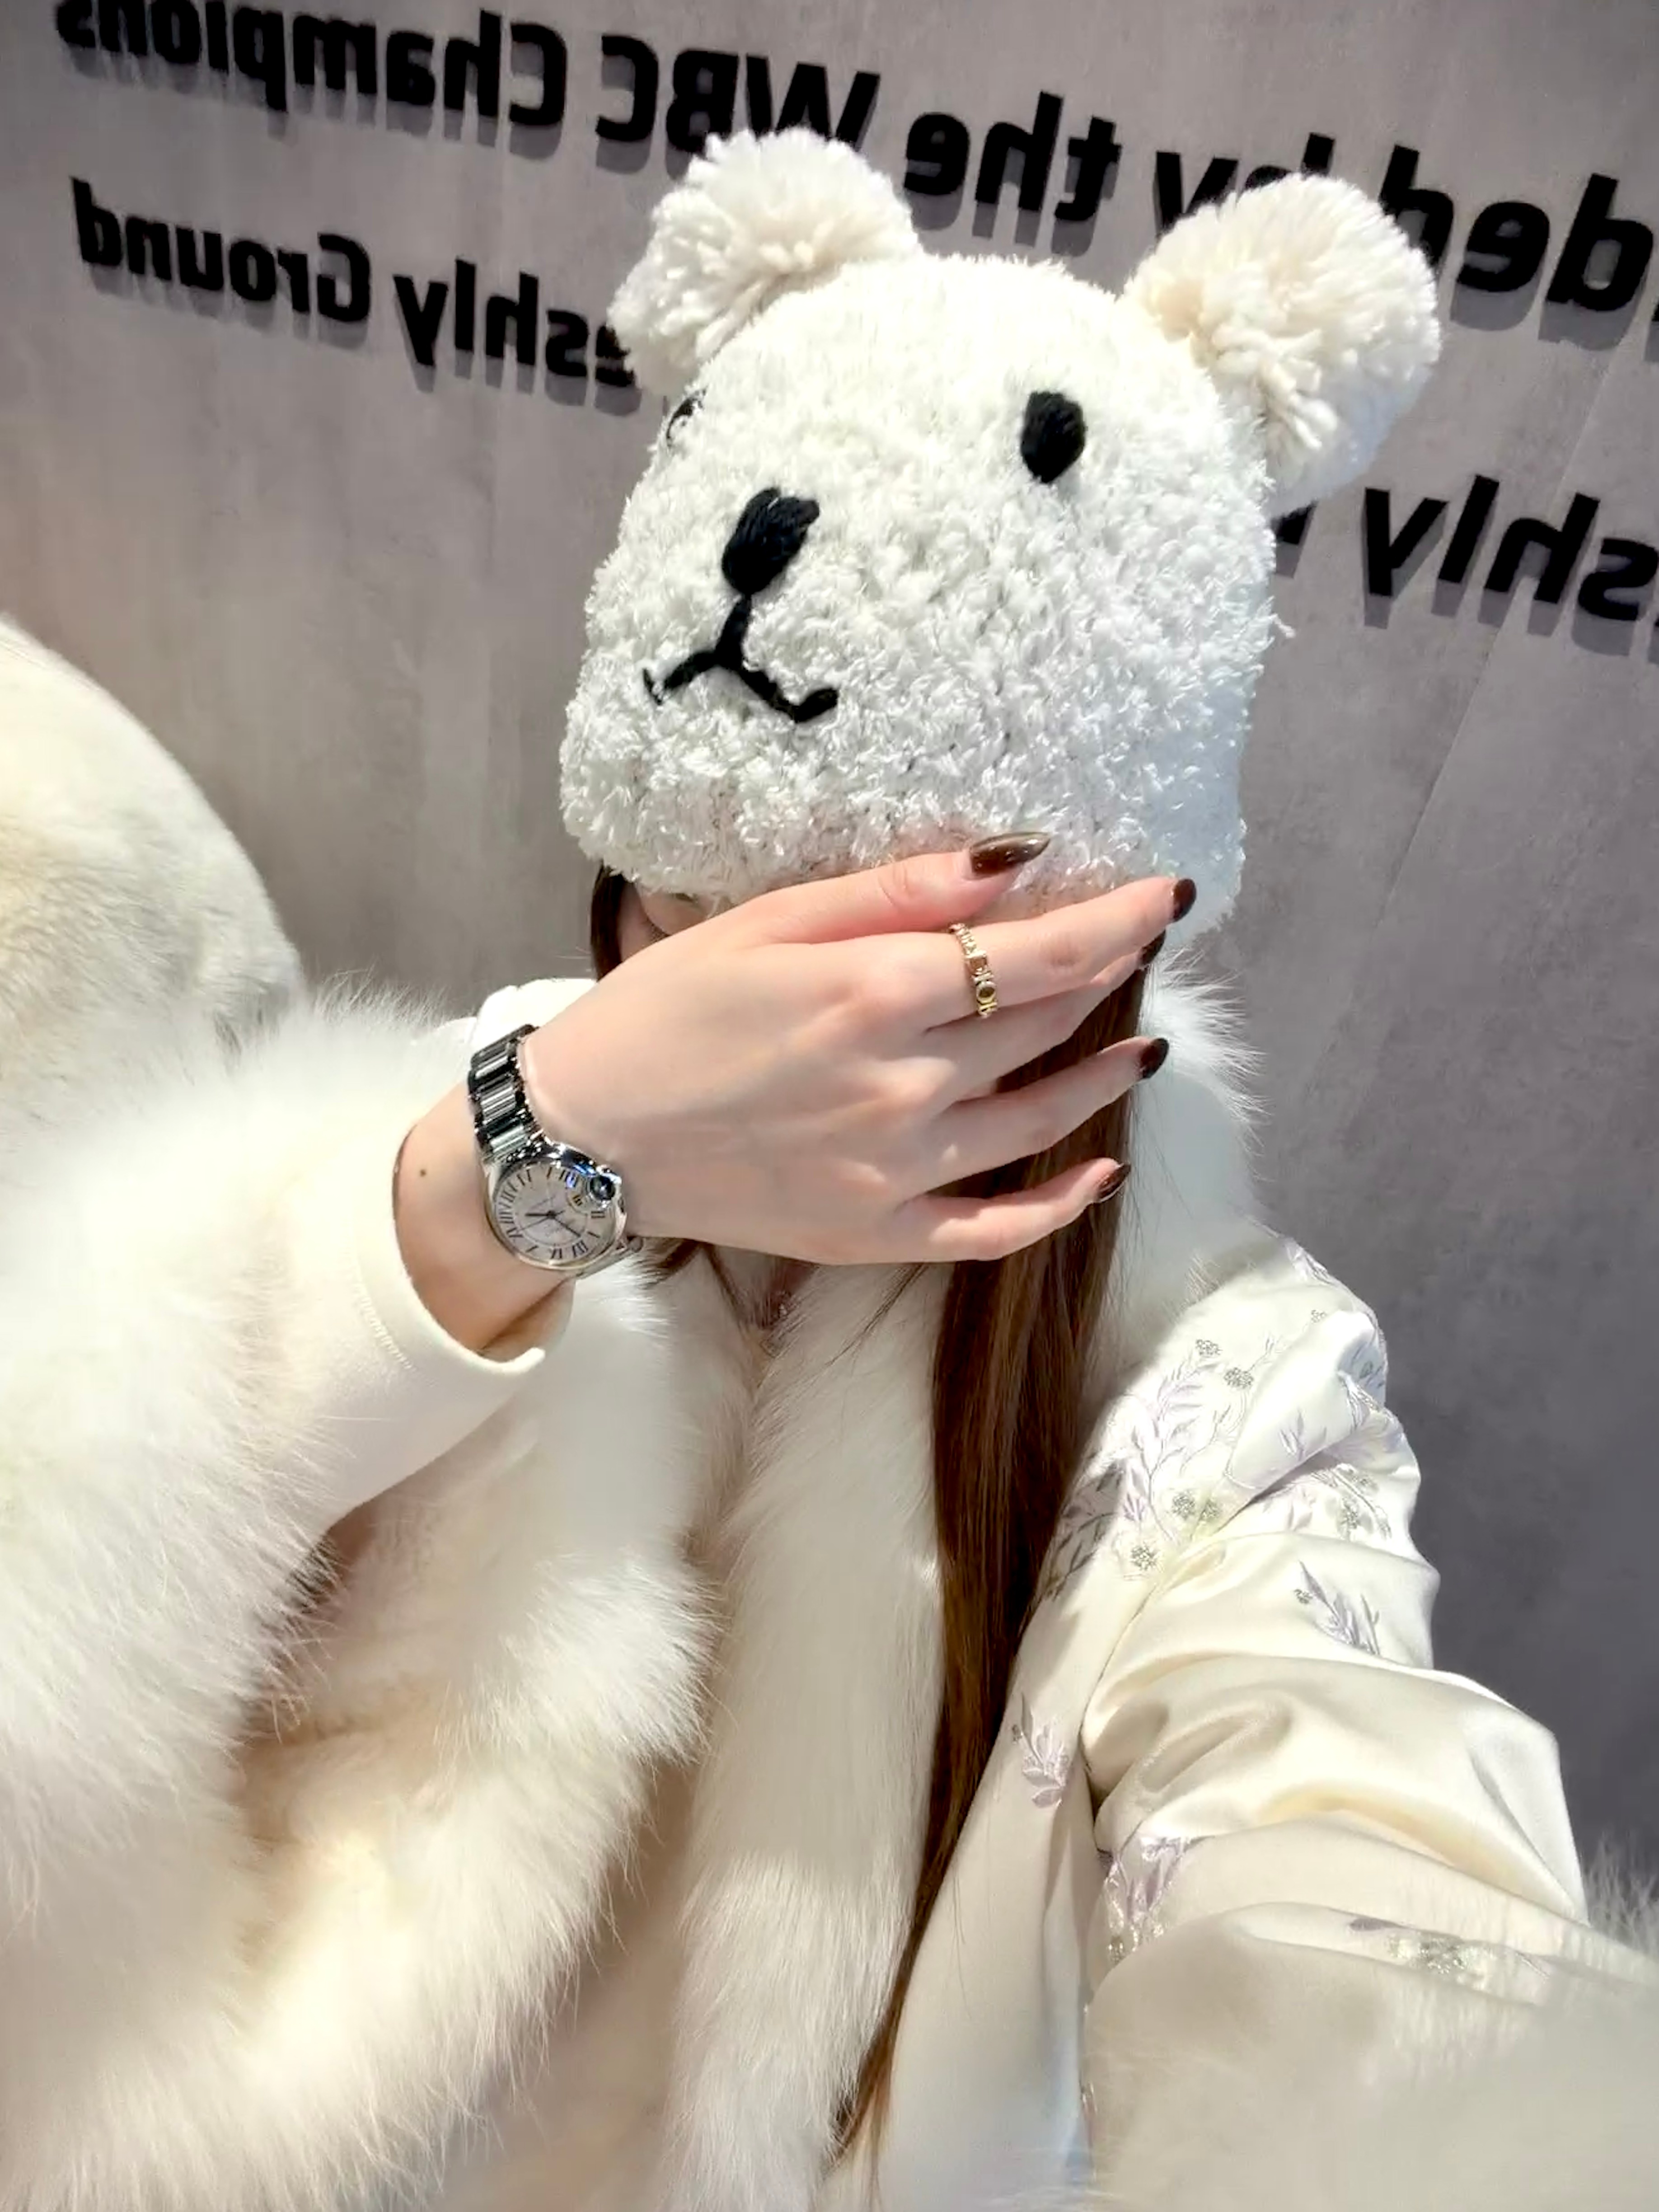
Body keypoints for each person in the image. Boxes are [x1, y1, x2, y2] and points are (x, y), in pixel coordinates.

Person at [4, 144, 1656, 2212]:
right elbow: (74, 1588)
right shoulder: (453, 1124)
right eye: (722, 944)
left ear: (1086, 935)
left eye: (910, 969)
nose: (810, 1055)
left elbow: (1352, 1868)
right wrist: (538, 1155)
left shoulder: (1222, 1395)